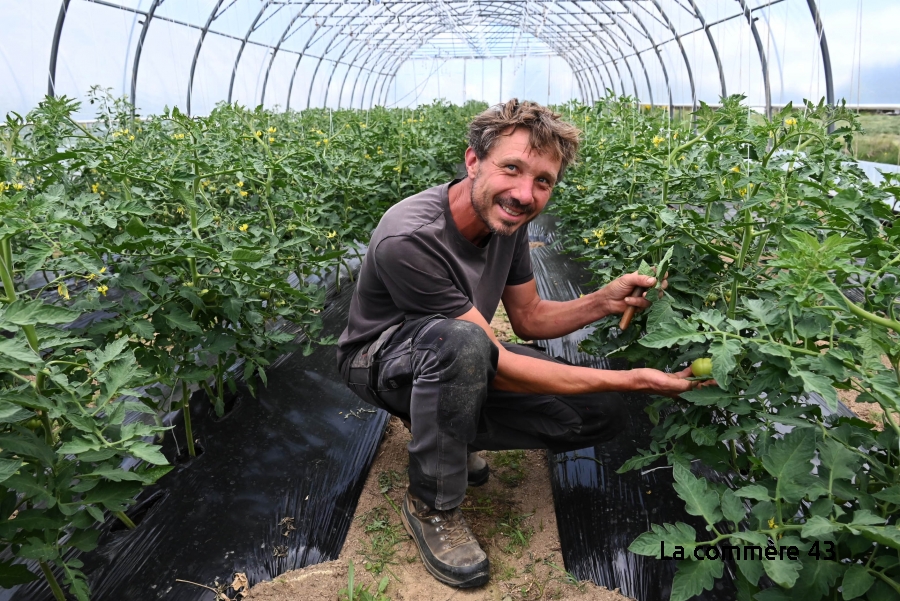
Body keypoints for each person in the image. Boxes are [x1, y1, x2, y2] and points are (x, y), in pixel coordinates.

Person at [336, 99, 696, 589]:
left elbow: (528, 318)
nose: (525, 194)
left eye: (543, 181)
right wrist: (632, 379)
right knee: (462, 343)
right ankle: (431, 504)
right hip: (377, 360)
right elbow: (497, 360)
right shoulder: (411, 237)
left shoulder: (508, 220)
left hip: (455, 352)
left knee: (601, 410)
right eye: (511, 168)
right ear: (473, 161)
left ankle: (447, 433)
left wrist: (604, 300)